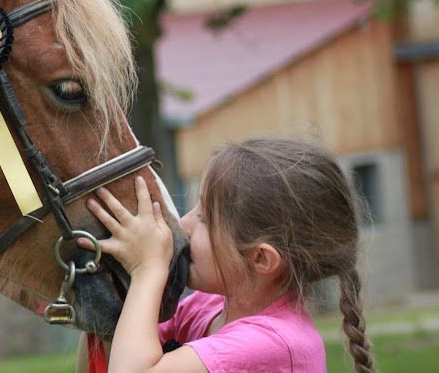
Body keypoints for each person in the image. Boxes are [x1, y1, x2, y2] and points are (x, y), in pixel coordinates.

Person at [77, 137, 375, 373]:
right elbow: (113, 347)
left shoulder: (275, 344)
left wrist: (148, 270)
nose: (183, 226)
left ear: (261, 259)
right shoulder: (206, 309)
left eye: (205, 219)